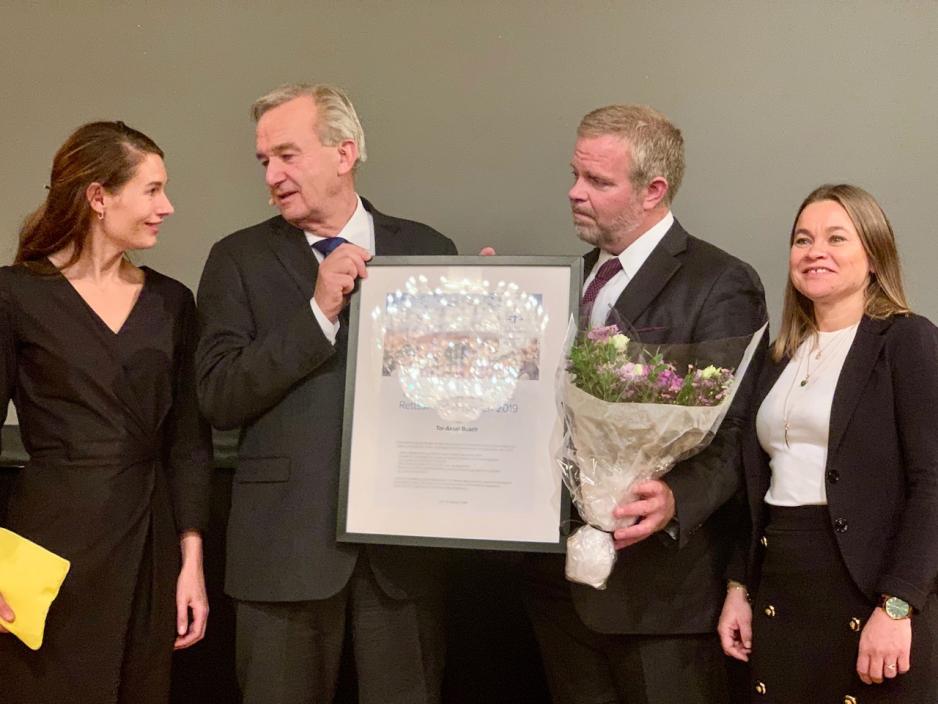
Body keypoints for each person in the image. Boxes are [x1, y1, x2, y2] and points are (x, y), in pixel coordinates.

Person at [195, 83, 457, 704]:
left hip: (403, 558)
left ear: (344, 153)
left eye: (287, 155)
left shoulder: (429, 249)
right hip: (283, 555)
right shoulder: (238, 259)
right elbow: (219, 394)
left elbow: (454, 396)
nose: (273, 176)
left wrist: (494, 325)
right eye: (264, 161)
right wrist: (318, 313)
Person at [522, 104, 767, 704]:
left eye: (598, 182)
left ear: (654, 190)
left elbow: (738, 431)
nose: (574, 193)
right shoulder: (560, 281)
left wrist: (678, 498)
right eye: (575, 174)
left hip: (662, 598)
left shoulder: (720, 281)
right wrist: (496, 311)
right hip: (558, 592)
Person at [0, 121, 212, 704]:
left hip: (149, 544)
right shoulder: (15, 296)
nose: (166, 207)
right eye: (152, 190)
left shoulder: (172, 302)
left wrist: (189, 562)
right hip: (47, 553)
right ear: (98, 197)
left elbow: (189, 441)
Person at [717, 184, 938, 702]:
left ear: (874, 256)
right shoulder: (776, 356)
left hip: (870, 591)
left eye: (837, 238)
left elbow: (934, 481)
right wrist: (738, 588)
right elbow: (754, 489)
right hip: (783, 583)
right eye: (802, 239)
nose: (815, 251)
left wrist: (899, 604)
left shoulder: (907, 340)